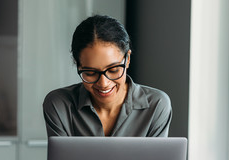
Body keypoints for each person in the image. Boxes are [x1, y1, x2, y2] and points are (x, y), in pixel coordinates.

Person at [43, 15, 172, 137]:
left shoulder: (157, 105)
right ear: (78, 66)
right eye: (90, 73)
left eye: (114, 70)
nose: (104, 83)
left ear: (127, 60)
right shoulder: (59, 104)